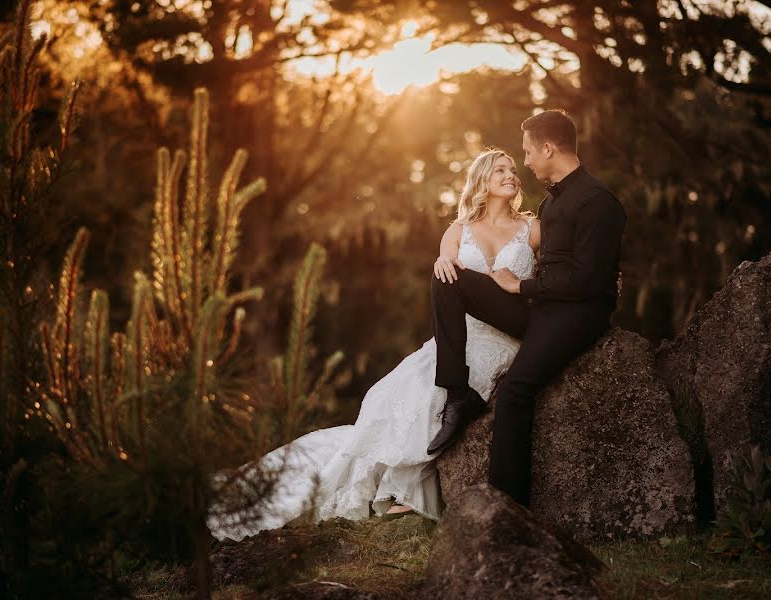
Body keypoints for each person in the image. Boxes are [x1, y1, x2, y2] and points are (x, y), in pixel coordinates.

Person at [206, 149, 540, 540]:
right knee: (397, 390)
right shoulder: (457, 231)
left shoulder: (532, 229)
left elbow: (562, 269)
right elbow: (446, 276)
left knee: (439, 398)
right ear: (482, 179)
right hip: (457, 335)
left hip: (500, 333)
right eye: (500, 169)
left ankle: (410, 489)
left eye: (513, 170)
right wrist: (440, 263)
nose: (511, 174)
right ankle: (393, 483)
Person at [428, 109, 627, 507]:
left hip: (576, 316)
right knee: (448, 277)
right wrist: (446, 258)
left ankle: (507, 507)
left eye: (528, 153)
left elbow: (589, 282)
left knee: (517, 389)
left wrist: (523, 285)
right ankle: (456, 392)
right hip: (543, 309)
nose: (526, 162)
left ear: (548, 148)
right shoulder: (552, 207)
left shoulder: (598, 202)